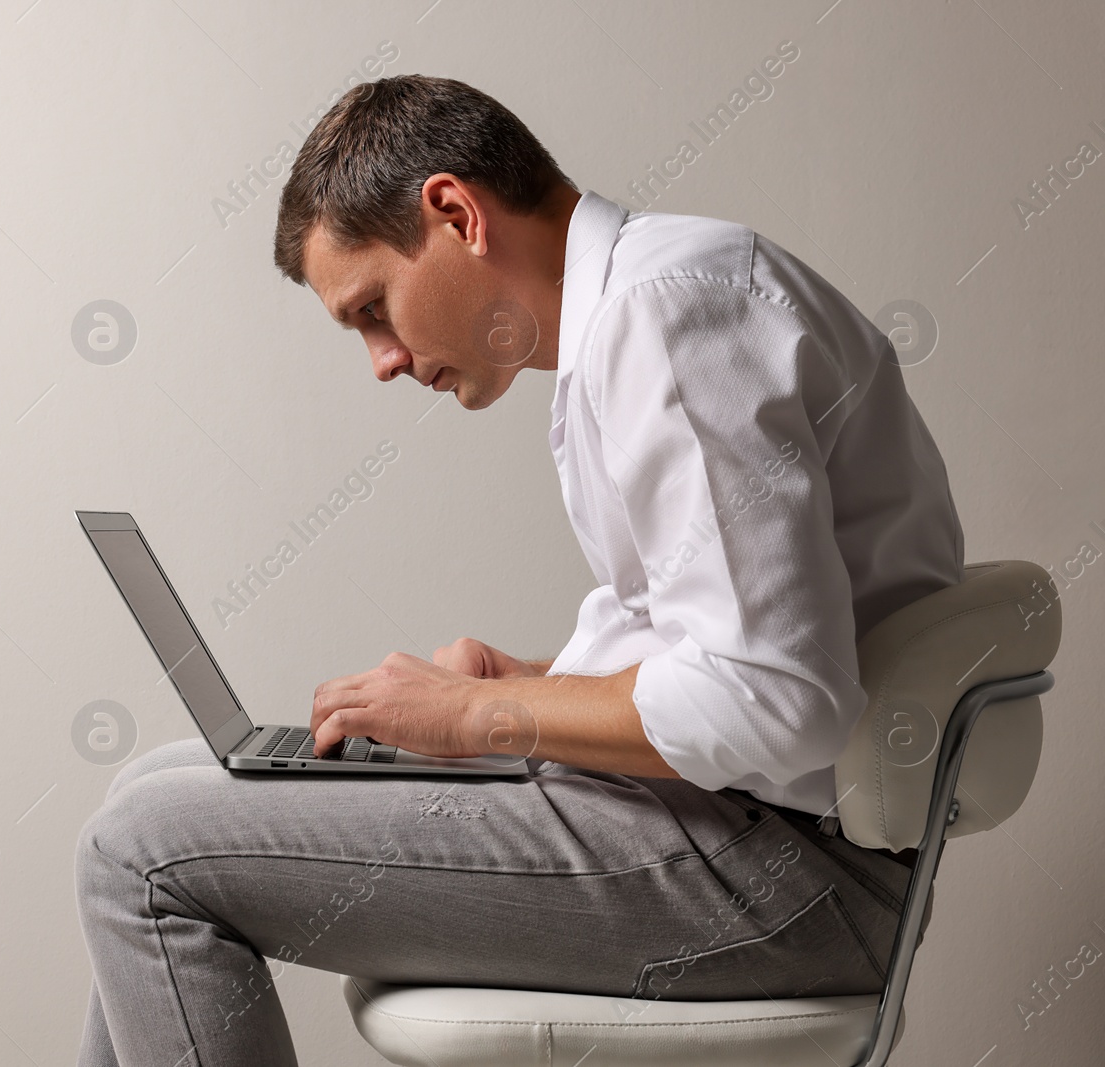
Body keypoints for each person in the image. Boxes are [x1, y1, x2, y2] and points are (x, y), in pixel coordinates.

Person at [75, 73, 962, 1066]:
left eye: (373, 307)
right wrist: (527, 682)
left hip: (786, 877)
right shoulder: (643, 310)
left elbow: (774, 701)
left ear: (454, 213)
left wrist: (481, 718)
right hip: (741, 833)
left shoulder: (666, 316)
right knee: (149, 788)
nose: (381, 359)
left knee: (140, 849)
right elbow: (730, 649)